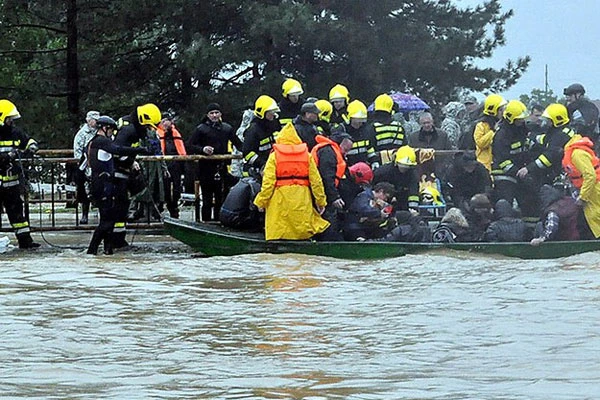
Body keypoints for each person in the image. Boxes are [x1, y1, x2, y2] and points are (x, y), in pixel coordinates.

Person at [253, 123, 329, 240]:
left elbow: (268, 183)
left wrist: (261, 201)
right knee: (301, 228)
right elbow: (316, 182)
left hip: (279, 197)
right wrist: (321, 202)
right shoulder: (307, 156)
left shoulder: (274, 156)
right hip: (302, 196)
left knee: (280, 230)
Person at [86, 116, 150, 255]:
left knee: (110, 221)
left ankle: (108, 251)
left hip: (105, 184)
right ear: (105, 128)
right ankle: (91, 252)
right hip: (101, 185)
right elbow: (118, 149)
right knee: (106, 222)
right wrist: (138, 150)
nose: (112, 133)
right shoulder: (101, 141)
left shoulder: (94, 142)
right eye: (111, 130)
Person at [112, 103, 162, 248]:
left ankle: (119, 240)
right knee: (118, 209)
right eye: (148, 127)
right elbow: (118, 152)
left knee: (122, 208)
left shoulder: (131, 125)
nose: (148, 130)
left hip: (122, 171)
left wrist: (132, 160)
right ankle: (115, 241)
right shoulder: (129, 129)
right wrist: (132, 158)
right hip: (116, 173)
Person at [187, 103, 243, 222]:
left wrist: (248, 152)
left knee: (221, 198)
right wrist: (203, 149)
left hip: (221, 168)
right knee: (207, 199)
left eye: (216, 113)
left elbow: (239, 144)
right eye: (211, 113)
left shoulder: (227, 128)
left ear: (220, 114)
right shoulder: (201, 129)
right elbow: (190, 145)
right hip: (205, 168)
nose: (214, 115)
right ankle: (205, 223)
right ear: (207, 115)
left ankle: (220, 222)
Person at [0, 99, 40, 249]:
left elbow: (29, 141)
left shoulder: (15, 132)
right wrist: (7, 157)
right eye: (9, 119)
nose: (11, 121)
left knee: (17, 213)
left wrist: (32, 147)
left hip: (12, 183)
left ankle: (25, 241)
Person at [491, 100, 535, 216]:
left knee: (528, 203)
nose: (522, 121)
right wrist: (518, 173)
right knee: (505, 204)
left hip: (518, 172)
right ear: (511, 119)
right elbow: (503, 160)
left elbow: (527, 147)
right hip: (503, 175)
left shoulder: (522, 130)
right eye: (519, 119)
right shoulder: (502, 135)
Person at [516, 103, 576, 185]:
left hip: (563, 173)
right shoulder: (560, 130)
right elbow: (545, 140)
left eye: (549, 120)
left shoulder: (561, 135)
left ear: (557, 120)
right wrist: (532, 138)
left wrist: (528, 168)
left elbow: (548, 157)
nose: (546, 122)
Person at [312, 131, 353, 241]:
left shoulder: (332, 151)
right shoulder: (328, 152)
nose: (346, 154)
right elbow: (327, 177)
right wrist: (334, 197)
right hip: (320, 194)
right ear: (339, 144)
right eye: (345, 150)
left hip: (324, 193)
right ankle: (327, 244)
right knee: (327, 222)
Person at [562, 133, 600, 239]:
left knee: (596, 215)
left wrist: (583, 197)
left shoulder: (577, 154)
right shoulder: (576, 151)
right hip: (591, 188)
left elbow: (590, 176)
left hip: (594, 189)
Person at [372, 145, 420, 212]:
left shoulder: (412, 175)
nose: (404, 168)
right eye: (402, 165)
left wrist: (413, 208)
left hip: (403, 204)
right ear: (396, 162)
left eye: (407, 166)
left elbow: (413, 192)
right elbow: (373, 189)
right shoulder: (382, 172)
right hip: (382, 204)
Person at [242, 95, 281, 176]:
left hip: (270, 168)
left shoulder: (273, 125)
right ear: (262, 113)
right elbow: (248, 154)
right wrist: (262, 164)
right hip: (255, 173)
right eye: (271, 112)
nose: (273, 114)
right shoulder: (253, 130)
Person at [157, 112, 186, 218]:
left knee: (176, 188)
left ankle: (174, 207)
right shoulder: (157, 133)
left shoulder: (175, 133)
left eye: (167, 120)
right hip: (163, 164)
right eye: (163, 121)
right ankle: (164, 207)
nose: (165, 123)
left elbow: (181, 150)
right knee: (164, 188)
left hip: (176, 164)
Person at [72, 110, 99, 224]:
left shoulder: (100, 131)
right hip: (85, 165)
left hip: (98, 164)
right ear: (88, 120)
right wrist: (81, 163)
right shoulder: (82, 133)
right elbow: (77, 150)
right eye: (94, 120)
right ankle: (84, 215)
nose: (96, 122)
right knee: (85, 191)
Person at [368, 93, 407, 164]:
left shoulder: (372, 127)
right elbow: (405, 147)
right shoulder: (399, 127)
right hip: (397, 165)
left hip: (379, 166)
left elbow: (369, 149)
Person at [340, 99, 378, 167]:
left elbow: (370, 149)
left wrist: (374, 161)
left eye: (362, 120)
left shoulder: (366, 130)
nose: (360, 123)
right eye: (357, 120)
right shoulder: (342, 130)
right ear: (350, 118)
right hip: (348, 168)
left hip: (363, 169)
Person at [474, 94, 507, 171]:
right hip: (485, 166)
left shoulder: (504, 125)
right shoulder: (481, 125)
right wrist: (493, 131)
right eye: (500, 110)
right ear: (493, 111)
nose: (503, 112)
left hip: (500, 164)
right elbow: (480, 143)